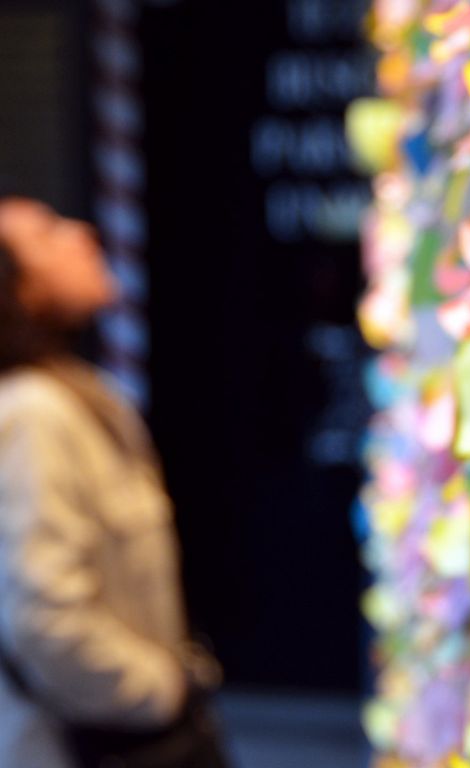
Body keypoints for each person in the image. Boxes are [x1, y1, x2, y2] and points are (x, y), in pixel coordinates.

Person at [0, 197, 230, 768]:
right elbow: (43, 618)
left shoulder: (79, 392)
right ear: (18, 290)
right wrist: (160, 691)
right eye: (48, 235)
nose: (80, 233)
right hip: (97, 743)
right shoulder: (33, 414)